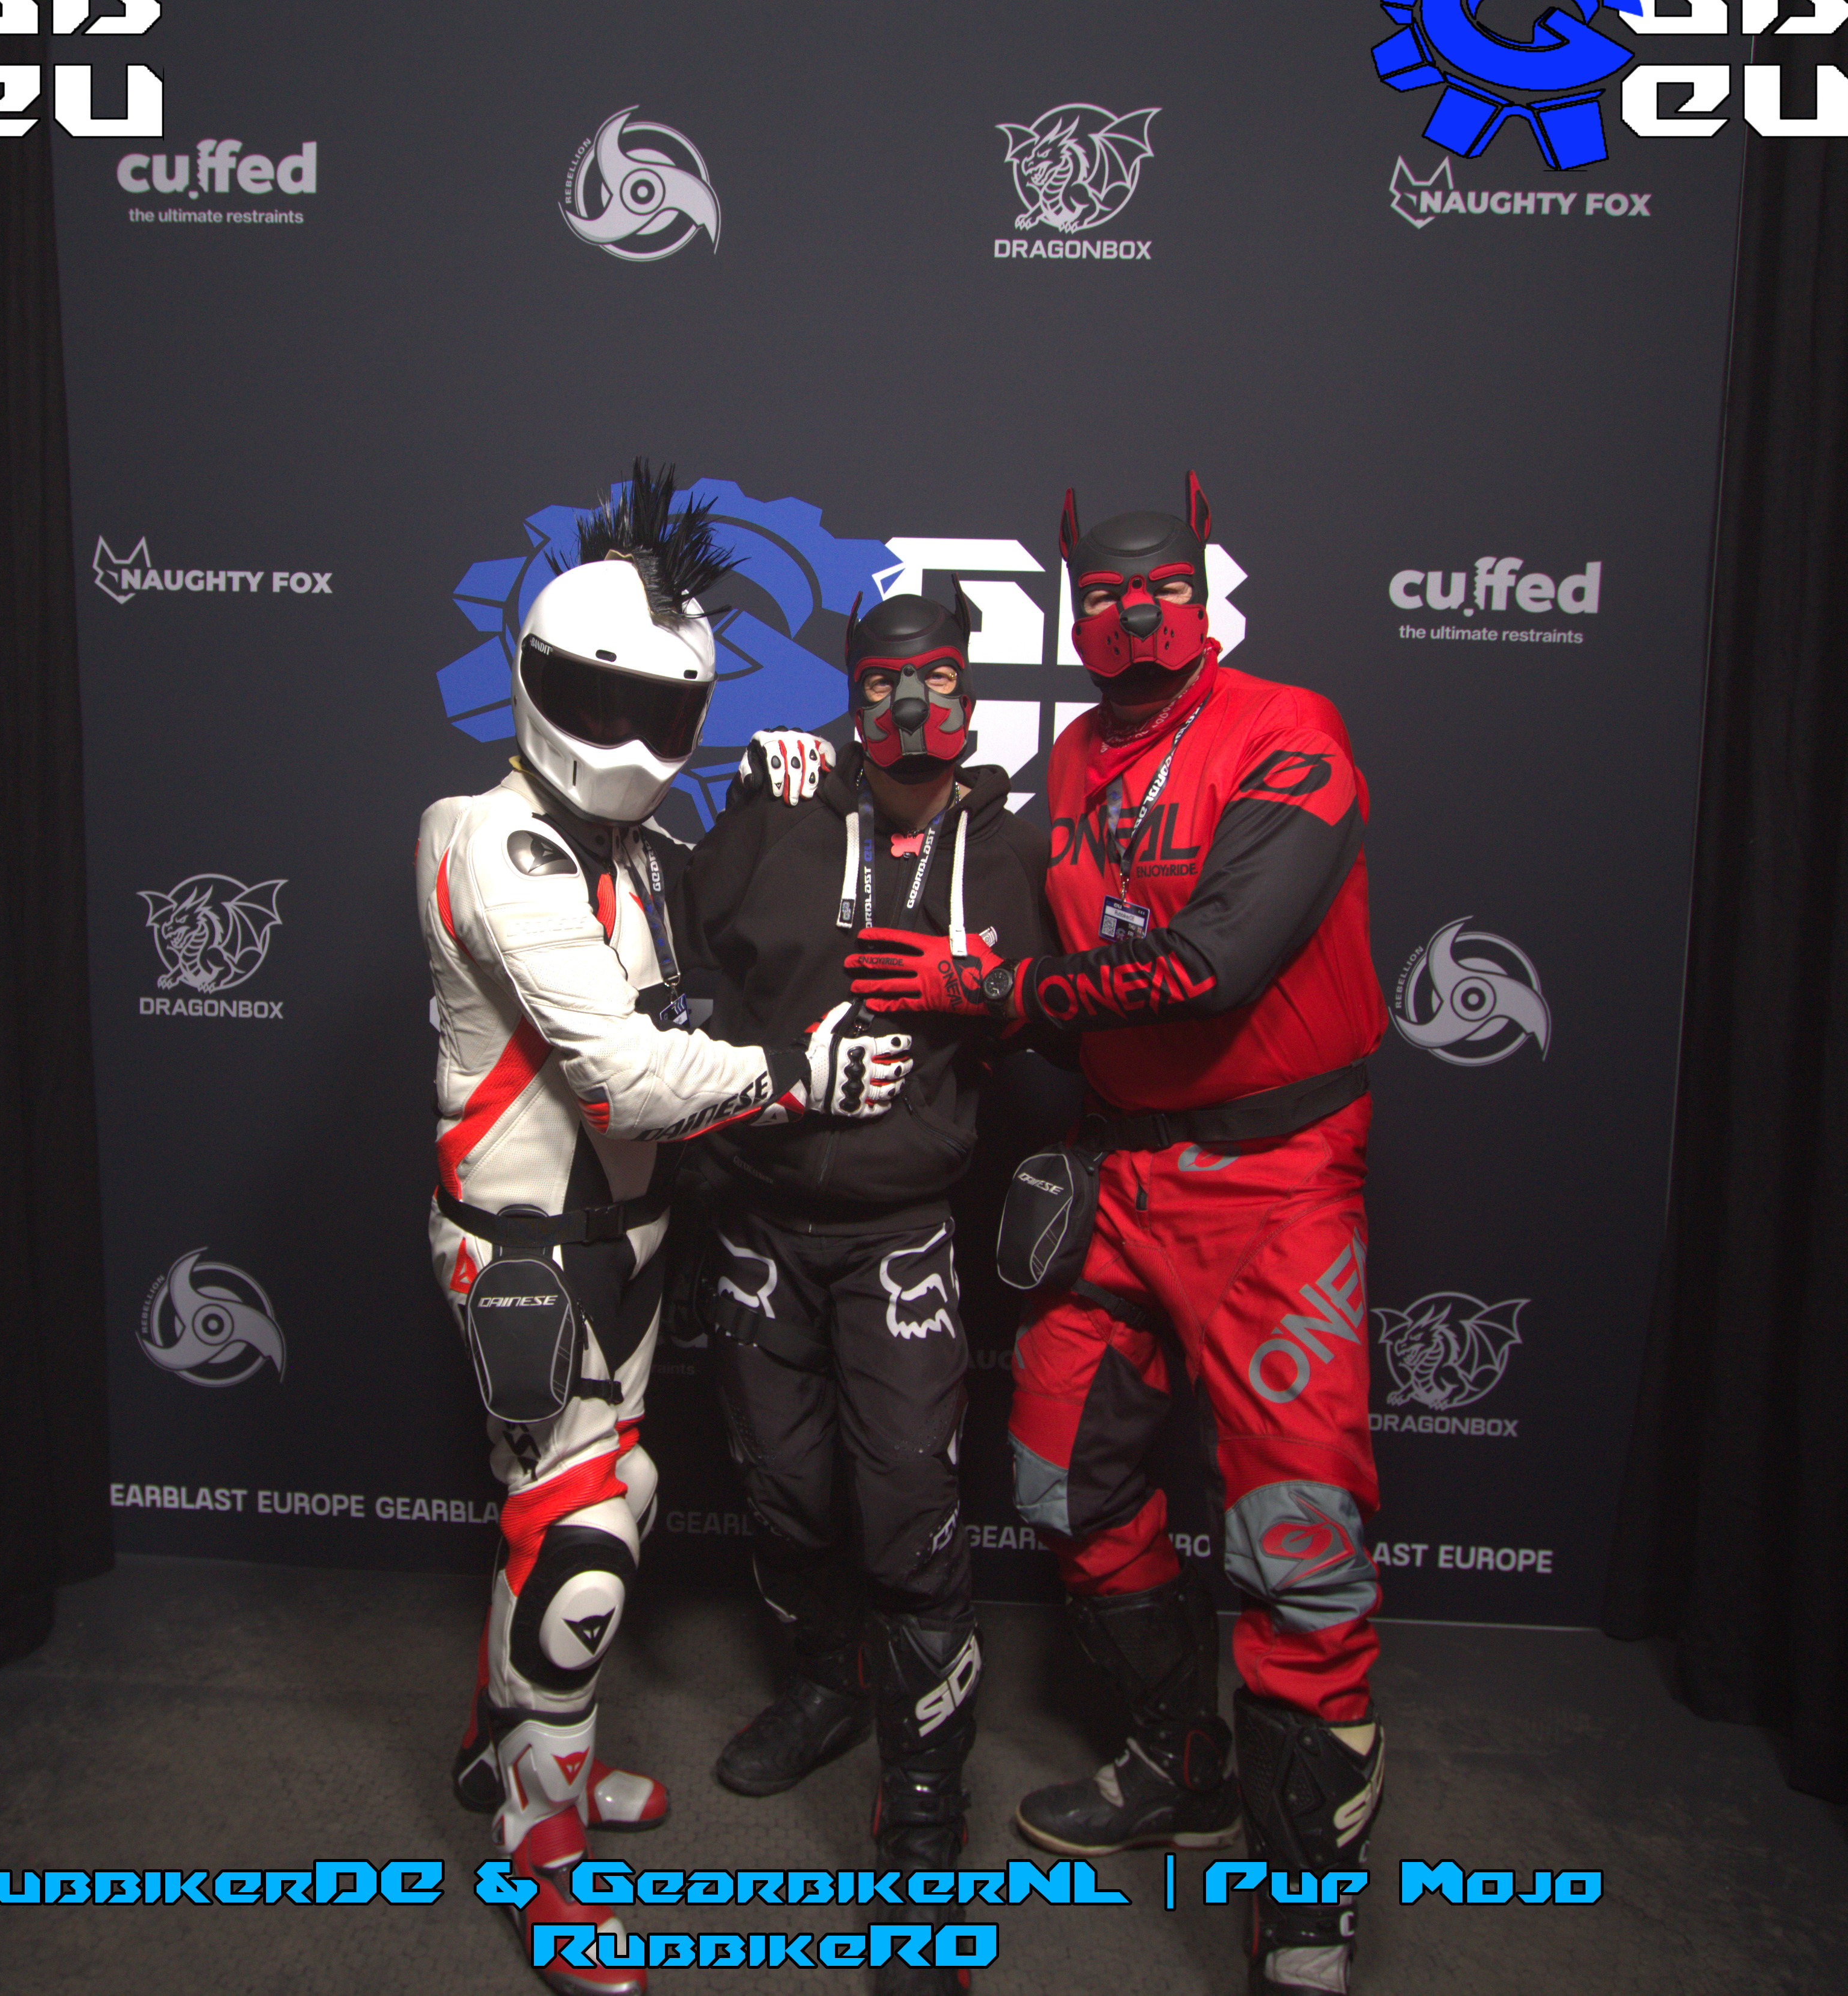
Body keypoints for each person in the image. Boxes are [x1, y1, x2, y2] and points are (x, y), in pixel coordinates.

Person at [846, 477, 1389, 1996]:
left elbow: (1214, 965)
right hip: (1117, 1170)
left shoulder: (1289, 730)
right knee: (1056, 1476)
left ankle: (1304, 1909)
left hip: (1276, 1178)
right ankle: (1178, 1756)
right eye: (1102, 597)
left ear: (1205, 595)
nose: (1134, 619)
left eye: (1161, 592)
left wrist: (998, 995)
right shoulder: (1073, 757)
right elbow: (980, 875)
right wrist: (813, 780)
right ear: (1070, 611)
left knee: (1299, 1546)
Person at [420, 462, 914, 1996]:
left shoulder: (629, 850)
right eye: (601, 701)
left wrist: (774, 791)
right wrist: (797, 1075)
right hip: (527, 1250)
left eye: (666, 713)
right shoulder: (489, 839)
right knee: (581, 1546)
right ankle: (541, 1844)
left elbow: (719, 934)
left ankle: (500, 1747)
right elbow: (627, 1076)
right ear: (534, 679)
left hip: (625, 1244)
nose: (633, 742)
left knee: (585, 1497)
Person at [678, 590, 1052, 1995]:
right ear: (851, 694)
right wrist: (740, 801)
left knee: (906, 1505)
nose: (910, 709)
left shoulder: (1010, 847)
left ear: (969, 693)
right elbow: (680, 944)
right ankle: (823, 1689)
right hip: (758, 1217)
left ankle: (922, 1822)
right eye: (884, 684)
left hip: (900, 1227)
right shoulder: (783, 807)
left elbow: (1071, 1008)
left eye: (937, 681)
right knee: (781, 1486)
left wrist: (986, 989)